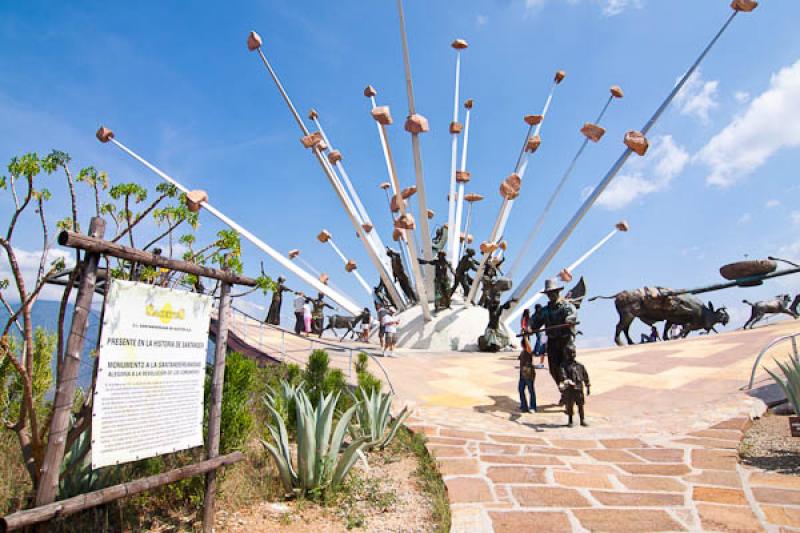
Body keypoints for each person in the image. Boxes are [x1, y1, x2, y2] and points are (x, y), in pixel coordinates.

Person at [526, 279, 578, 397]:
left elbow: (573, 313)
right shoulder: (545, 310)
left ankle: (572, 394)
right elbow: (534, 320)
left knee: (567, 367)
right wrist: (529, 327)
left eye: (553, 292)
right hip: (553, 342)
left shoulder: (566, 306)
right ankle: (564, 393)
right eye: (549, 294)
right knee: (554, 369)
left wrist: (570, 319)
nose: (551, 295)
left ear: (558, 292)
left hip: (565, 341)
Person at [558, 347, 590, 427]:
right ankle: (570, 420)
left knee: (580, 405)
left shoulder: (580, 365)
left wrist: (588, 386)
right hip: (569, 389)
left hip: (579, 388)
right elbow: (562, 375)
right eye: (570, 353)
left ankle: (582, 420)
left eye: (573, 353)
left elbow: (585, 376)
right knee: (570, 406)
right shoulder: (563, 365)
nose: (572, 355)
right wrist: (566, 380)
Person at [518, 337, 537, 413]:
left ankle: (533, 407)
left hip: (529, 373)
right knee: (520, 389)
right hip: (522, 373)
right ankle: (524, 406)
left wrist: (526, 338)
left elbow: (529, 348)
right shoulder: (522, 352)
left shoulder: (528, 351)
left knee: (531, 390)